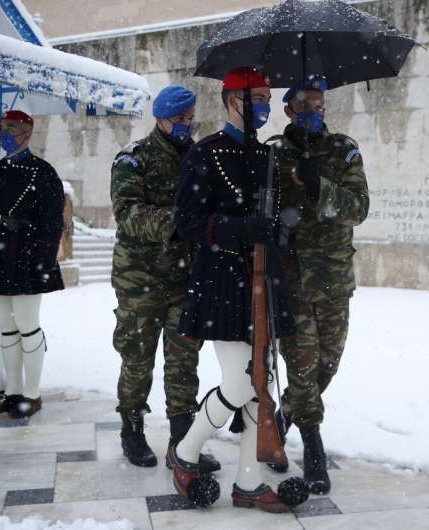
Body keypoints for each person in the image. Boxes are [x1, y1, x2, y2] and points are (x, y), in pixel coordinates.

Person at [167, 67, 304, 512]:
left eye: (268, 98)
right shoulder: (205, 154)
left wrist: (282, 226)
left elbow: (275, 221)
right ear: (233, 100)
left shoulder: (266, 157)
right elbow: (187, 221)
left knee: (259, 382)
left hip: (264, 281)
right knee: (242, 382)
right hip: (224, 282)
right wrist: (243, 228)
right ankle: (186, 452)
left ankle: (248, 482)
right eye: (258, 98)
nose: (266, 106)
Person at [266, 75, 370, 494]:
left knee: (327, 363)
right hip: (291, 278)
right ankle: (312, 444)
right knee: (302, 364)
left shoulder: (345, 150)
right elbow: (266, 210)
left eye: (318, 103)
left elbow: (358, 208)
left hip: (332, 279)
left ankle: (286, 414)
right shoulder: (273, 153)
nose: (311, 110)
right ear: (288, 109)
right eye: (302, 104)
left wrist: (318, 186)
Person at [110, 86, 220, 473]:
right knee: (137, 360)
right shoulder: (133, 160)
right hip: (139, 280)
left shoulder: (198, 158)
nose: (186, 125)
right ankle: (132, 429)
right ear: (161, 118)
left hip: (183, 279)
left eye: (191, 118)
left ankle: (182, 440)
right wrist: (179, 223)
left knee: (183, 362)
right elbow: (128, 213)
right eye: (180, 119)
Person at [0, 110, 64, 419]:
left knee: (28, 326)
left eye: (11, 128)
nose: (5, 134)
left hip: (26, 253)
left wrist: (44, 261)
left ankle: (32, 393)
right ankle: (13, 390)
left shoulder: (43, 172)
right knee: (6, 328)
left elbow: (54, 224)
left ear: (26, 133)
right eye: (3, 128)